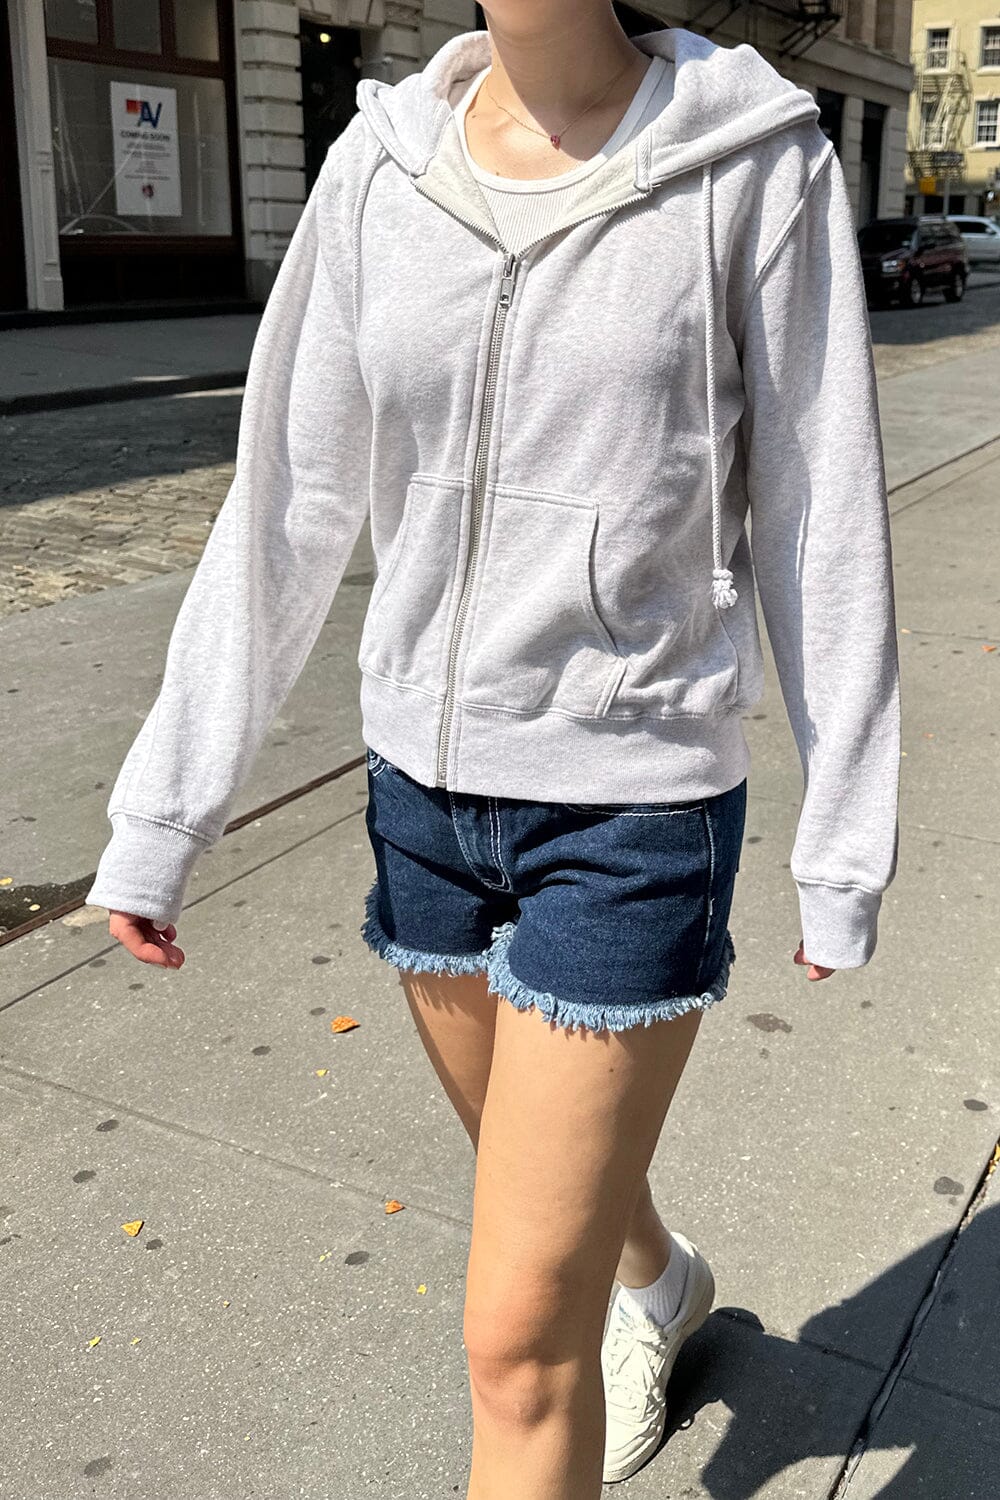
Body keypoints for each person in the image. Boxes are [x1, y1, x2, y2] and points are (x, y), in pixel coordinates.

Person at [86, 5, 901, 1496]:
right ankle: (659, 1277)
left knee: (519, 1343)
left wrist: (843, 840)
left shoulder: (753, 162)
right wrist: (167, 810)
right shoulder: (379, 165)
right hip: (422, 802)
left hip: (630, 812)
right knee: (552, 1196)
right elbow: (285, 501)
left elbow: (817, 512)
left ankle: (616, 1308)